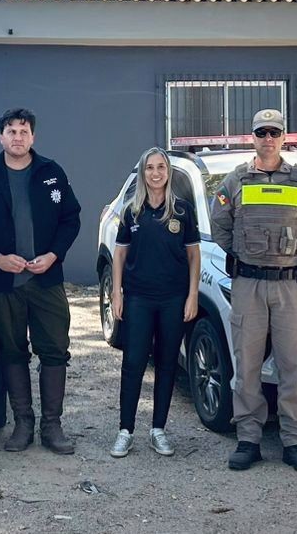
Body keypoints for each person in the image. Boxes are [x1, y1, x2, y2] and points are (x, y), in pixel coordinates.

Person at [209, 108, 297, 474]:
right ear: (252, 137)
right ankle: (249, 440)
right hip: (248, 285)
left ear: (283, 137)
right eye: (261, 132)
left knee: (292, 367)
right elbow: (220, 227)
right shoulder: (236, 180)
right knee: (246, 367)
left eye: (273, 132)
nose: (267, 139)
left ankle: (295, 442)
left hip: (288, 286)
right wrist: (244, 255)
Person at [0, 107, 82, 455]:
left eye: (23, 131)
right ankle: (23, 423)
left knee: (54, 349)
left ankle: (51, 425)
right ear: (1, 137)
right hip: (2, 281)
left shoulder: (51, 173)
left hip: (45, 280)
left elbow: (71, 219)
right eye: (11, 131)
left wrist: (54, 254)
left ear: (33, 137)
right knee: (12, 351)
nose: (17, 137)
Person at [108, 147, 200, 458]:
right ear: (143, 172)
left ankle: (158, 429)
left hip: (173, 299)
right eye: (150, 168)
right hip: (139, 298)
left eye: (161, 167)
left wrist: (192, 295)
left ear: (168, 172)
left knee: (166, 363)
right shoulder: (132, 211)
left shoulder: (183, 211)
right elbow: (119, 253)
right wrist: (116, 292)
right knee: (133, 362)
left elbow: (193, 256)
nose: (156, 173)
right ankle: (125, 430)